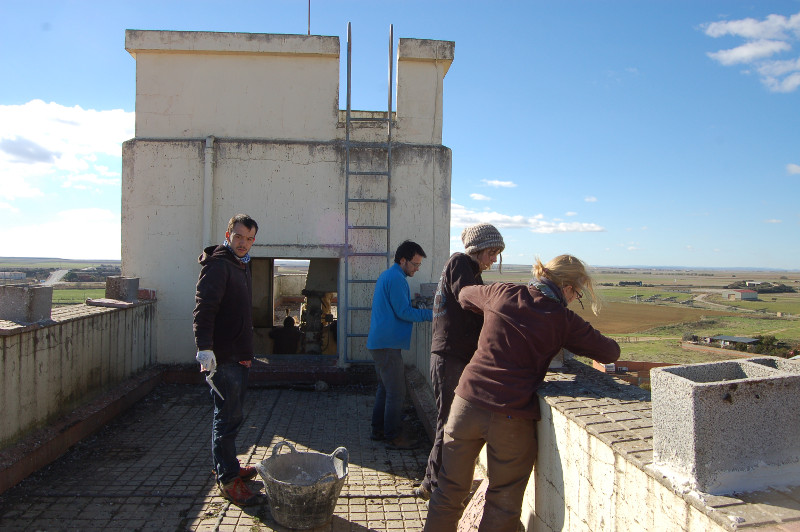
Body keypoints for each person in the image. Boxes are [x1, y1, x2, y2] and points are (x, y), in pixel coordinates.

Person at [423, 255, 621, 532]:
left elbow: (465, 295)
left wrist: (493, 311)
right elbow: (610, 352)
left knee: (448, 491)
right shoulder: (563, 319)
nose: (575, 298)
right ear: (565, 288)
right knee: (502, 502)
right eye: (577, 293)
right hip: (510, 414)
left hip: (465, 404)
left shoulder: (503, 291)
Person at [415, 223, 505, 501]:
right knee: (448, 422)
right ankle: (431, 485)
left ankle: (435, 483)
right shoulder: (460, 263)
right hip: (448, 357)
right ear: (477, 249)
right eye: (492, 252)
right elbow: (469, 299)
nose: (493, 260)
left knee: (452, 422)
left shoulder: (471, 271)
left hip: (454, 357)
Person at [193, 213, 260, 507]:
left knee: (233, 415)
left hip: (238, 357)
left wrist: (246, 353)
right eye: (239, 237)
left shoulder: (240, 264)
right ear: (228, 234)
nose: (244, 243)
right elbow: (204, 309)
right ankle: (227, 478)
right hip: (223, 358)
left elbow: (240, 313)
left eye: (249, 239)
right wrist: (204, 348)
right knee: (227, 417)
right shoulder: (219, 265)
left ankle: (229, 466)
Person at [367, 240, 434, 450]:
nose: (416, 268)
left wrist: (414, 304)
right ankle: (393, 436)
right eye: (415, 264)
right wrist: (433, 314)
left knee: (385, 390)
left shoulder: (391, 275)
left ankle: (378, 430)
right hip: (387, 345)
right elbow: (403, 312)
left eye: (419, 265)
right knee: (396, 392)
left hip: (381, 342)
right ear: (403, 260)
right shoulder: (397, 279)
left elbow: (400, 307)